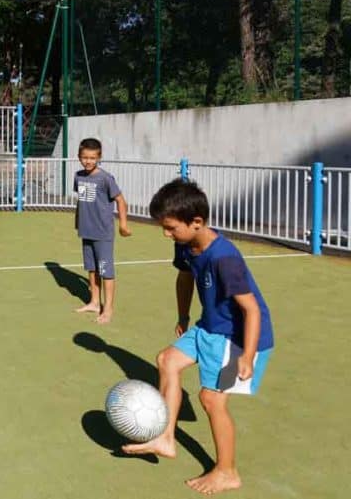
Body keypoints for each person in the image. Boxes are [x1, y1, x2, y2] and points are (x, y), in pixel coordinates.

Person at [124, 179, 274, 495]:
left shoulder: (224, 259)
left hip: (239, 336)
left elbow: (252, 311)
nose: (166, 234)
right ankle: (165, 437)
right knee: (167, 361)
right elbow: (184, 276)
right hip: (209, 327)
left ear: (197, 222)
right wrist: (182, 316)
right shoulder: (186, 243)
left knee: (211, 399)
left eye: (170, 228)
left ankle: (227, 471)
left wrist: (246, 356)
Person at [73, 137, 130, 323]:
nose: (88, 161)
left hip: (103, 233)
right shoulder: (78, 176)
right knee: (91, 268)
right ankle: (95, 303)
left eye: (92, 157)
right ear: (79, 157)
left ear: (99, 157)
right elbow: (81, 202)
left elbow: (121, 200)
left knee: (106, 270)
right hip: (86, 231)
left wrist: (123, 224)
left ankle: (108, 308)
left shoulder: (105, 178)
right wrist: (78, 222)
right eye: (84, 157)